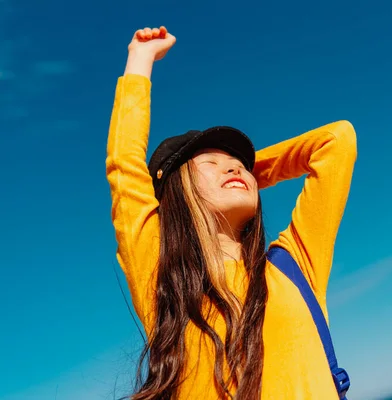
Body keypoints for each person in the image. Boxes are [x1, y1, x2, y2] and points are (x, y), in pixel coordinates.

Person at [106, 26, 357, 400]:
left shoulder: (295, 264)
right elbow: (125, 167)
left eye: (239, 163)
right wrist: (140, 59)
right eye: (211, 162)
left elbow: (336, 142)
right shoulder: (161, 278)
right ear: (177, 192)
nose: (234, 167)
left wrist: (250, 173)